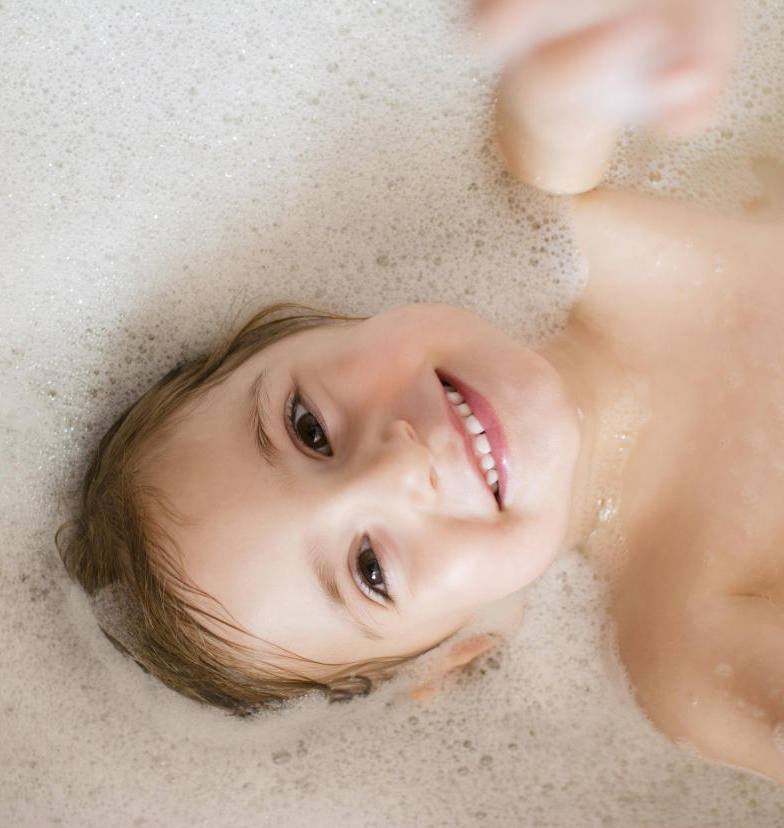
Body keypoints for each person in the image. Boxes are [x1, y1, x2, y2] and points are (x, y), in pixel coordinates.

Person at [59, 0, 784, 783]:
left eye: (307, 428)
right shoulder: (683, 640)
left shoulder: (563, 191)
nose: (397, 467)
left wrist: (627, 39)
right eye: (371, 569)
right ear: (461, 648)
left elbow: (570, 79)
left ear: (320, 324)